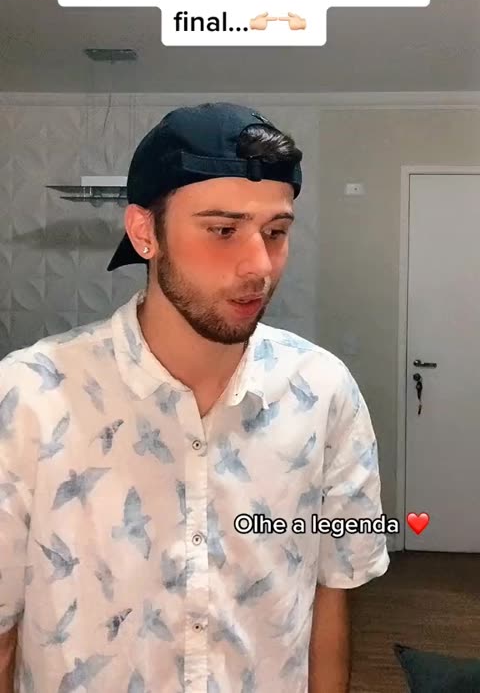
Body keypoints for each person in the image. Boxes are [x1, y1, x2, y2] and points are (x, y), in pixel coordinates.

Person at [0, 102, 389, 693]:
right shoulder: (28, 397)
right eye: (223, 231)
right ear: (144, 233)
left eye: (276, 232)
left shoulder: (323, 392)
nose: (259, 265)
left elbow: (330, 601)